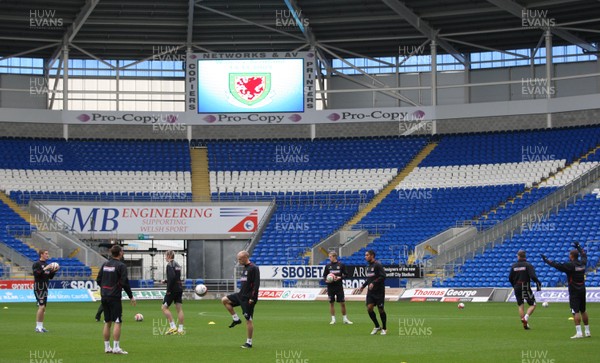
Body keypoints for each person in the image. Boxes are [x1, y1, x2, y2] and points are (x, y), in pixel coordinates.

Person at [542, 241, 591, 339]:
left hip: (574, 291)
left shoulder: (570, 265)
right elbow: (584, 254)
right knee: (583, 310)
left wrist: (546, 260)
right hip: (582, 289)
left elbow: (557, 265)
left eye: (570, 255)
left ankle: (579, 333)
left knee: (575, 311)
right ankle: (587, 331)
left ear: (572, 256)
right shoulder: (582, 263)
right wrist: (578, 246)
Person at [96, 245, 136, 354]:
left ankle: (107, 347)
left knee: (107, 321)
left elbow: (98, 280)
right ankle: (116, 347)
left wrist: (105, 288)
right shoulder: (121, 266)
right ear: (120, 253)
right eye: (122, 251)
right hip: (114, 297)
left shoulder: (105, 264)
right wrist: (131, 296)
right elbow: (124, 283)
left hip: (104, 296)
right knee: (117, 321)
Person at [222, 250, 260, 348]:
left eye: (239, 259)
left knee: (248, 320)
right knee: (224, 300)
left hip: (248, 298)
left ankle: (249, 342)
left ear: (245, 258)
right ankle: (236, 319)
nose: (238, 261)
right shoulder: (245, 268)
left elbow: (256, 285)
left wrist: (252, 298)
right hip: (240, 295)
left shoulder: (254, 268)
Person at [508, 250, 542, 330]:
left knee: (520, 305)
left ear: (518, 256)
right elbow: (533, 276)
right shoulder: (528, 265)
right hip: (525, 286)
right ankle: (525, 318)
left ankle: (525, 325)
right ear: (525, 256)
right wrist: (538, 283)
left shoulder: (514, 266)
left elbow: (510, 278)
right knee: (533, 304)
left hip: (517, 287)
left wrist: (514, 286)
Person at [358, 250, 387, 335]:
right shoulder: (368, 266)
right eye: (365, 255)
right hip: (371, 292)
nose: (365, 257)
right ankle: (377, 326)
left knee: (380, 309)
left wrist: (374, 283)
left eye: (367, 255)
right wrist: (363, 286)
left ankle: (384, 328)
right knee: (369, 308)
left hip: (379, 291)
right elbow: (369, 279)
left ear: (372, 256)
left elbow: (383, 276)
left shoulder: (378, 265)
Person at [323, 251, 352, 325]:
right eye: (329, 257)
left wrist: (340, 277)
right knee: (331, 303)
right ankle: (333, 319)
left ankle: (345, 319)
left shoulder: (341, 265)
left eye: (330, 256)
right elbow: (324, 276)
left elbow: (346, 274)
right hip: (330, 287)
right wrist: (326, 280)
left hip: (339, 287)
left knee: (342, 303)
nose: (329, 258)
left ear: (334, 256)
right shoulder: (328, 266)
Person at [32, 250, 58, 333]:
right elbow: (36, 274)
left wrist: (54, 270)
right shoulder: (37, 264)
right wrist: (45, 268)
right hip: (38, 288)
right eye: (46, 253)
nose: (47, 255)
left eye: (47, 253)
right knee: (41, 307)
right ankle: (37, 327)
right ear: (41, 254)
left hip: (45, 288)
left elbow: (50, 277)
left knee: (43, 309)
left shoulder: (47, 265)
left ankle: (41, 327)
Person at [161, 250, 184, 335]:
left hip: (173, 290)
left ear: (169, 256)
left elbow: (172, 277)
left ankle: (173, 327)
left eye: (166, 255)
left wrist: (168, 290)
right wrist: (166, 281)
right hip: (179, 288)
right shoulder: (177, 265)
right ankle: (180, 329)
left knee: (164, 307)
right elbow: (176, 278)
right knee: (179, 309)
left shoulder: (169, 265)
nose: (165, 257)